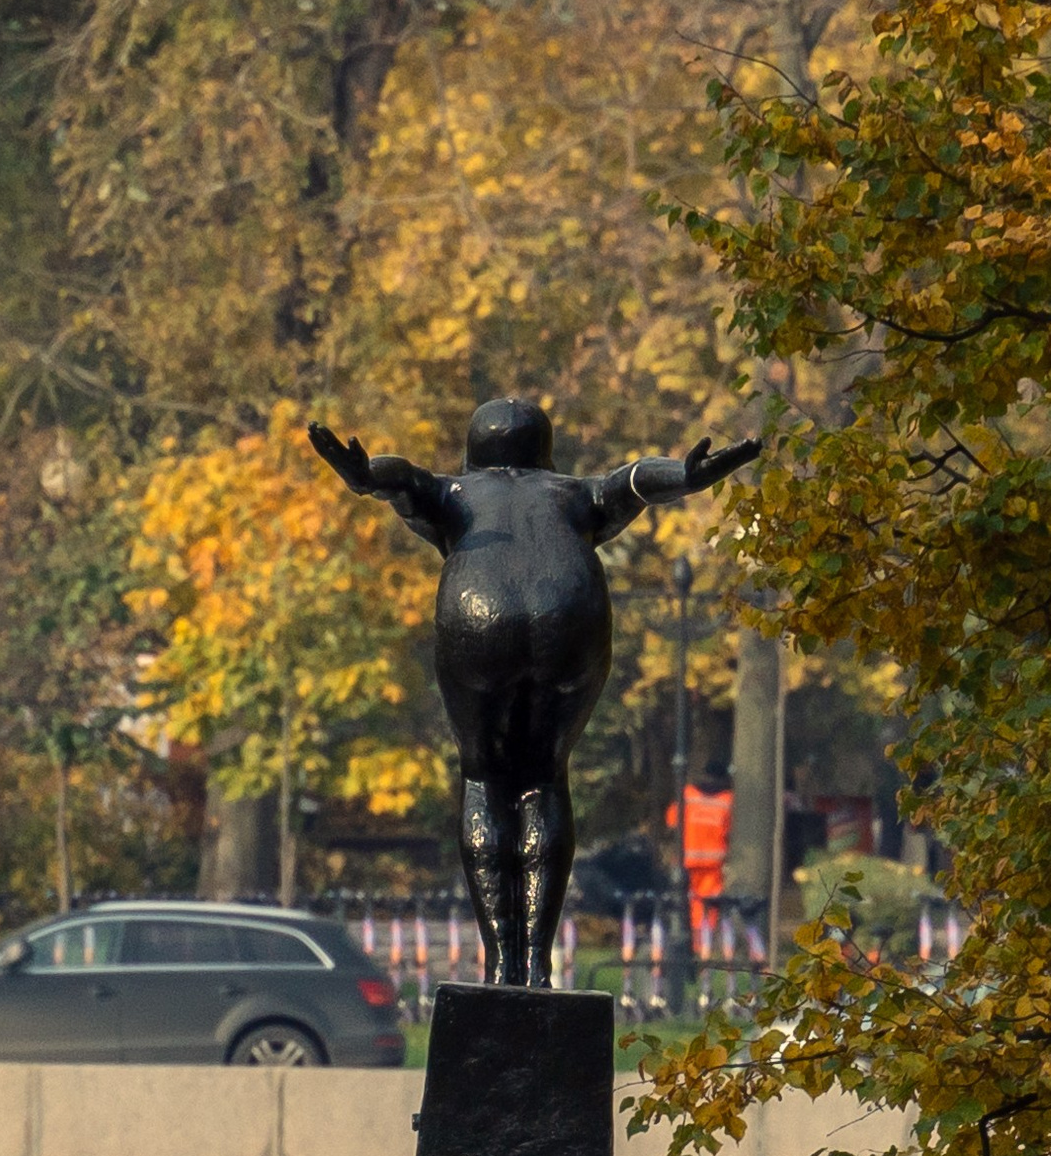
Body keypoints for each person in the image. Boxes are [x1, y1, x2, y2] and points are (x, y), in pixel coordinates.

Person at [307, 396, 756, 988]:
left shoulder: (457, 495)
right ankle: (537, 965)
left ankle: (501, 962)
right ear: (545, 450)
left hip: (477, 622)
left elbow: (405, 479)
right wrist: (686, 476)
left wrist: (367, 477)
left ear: (474, 451)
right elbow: (636, 480)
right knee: (545, 777)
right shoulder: (572, 494)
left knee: (483, 779)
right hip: (568, 620)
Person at [666, 759, 734, 953]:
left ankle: (685, 942)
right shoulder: (728, 799)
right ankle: (702, 946)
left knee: (685, 901)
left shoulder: (687, 794)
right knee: (709, 905)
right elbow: (729, 830)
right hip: (713, 863)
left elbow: (671, 821)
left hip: (686, 860)